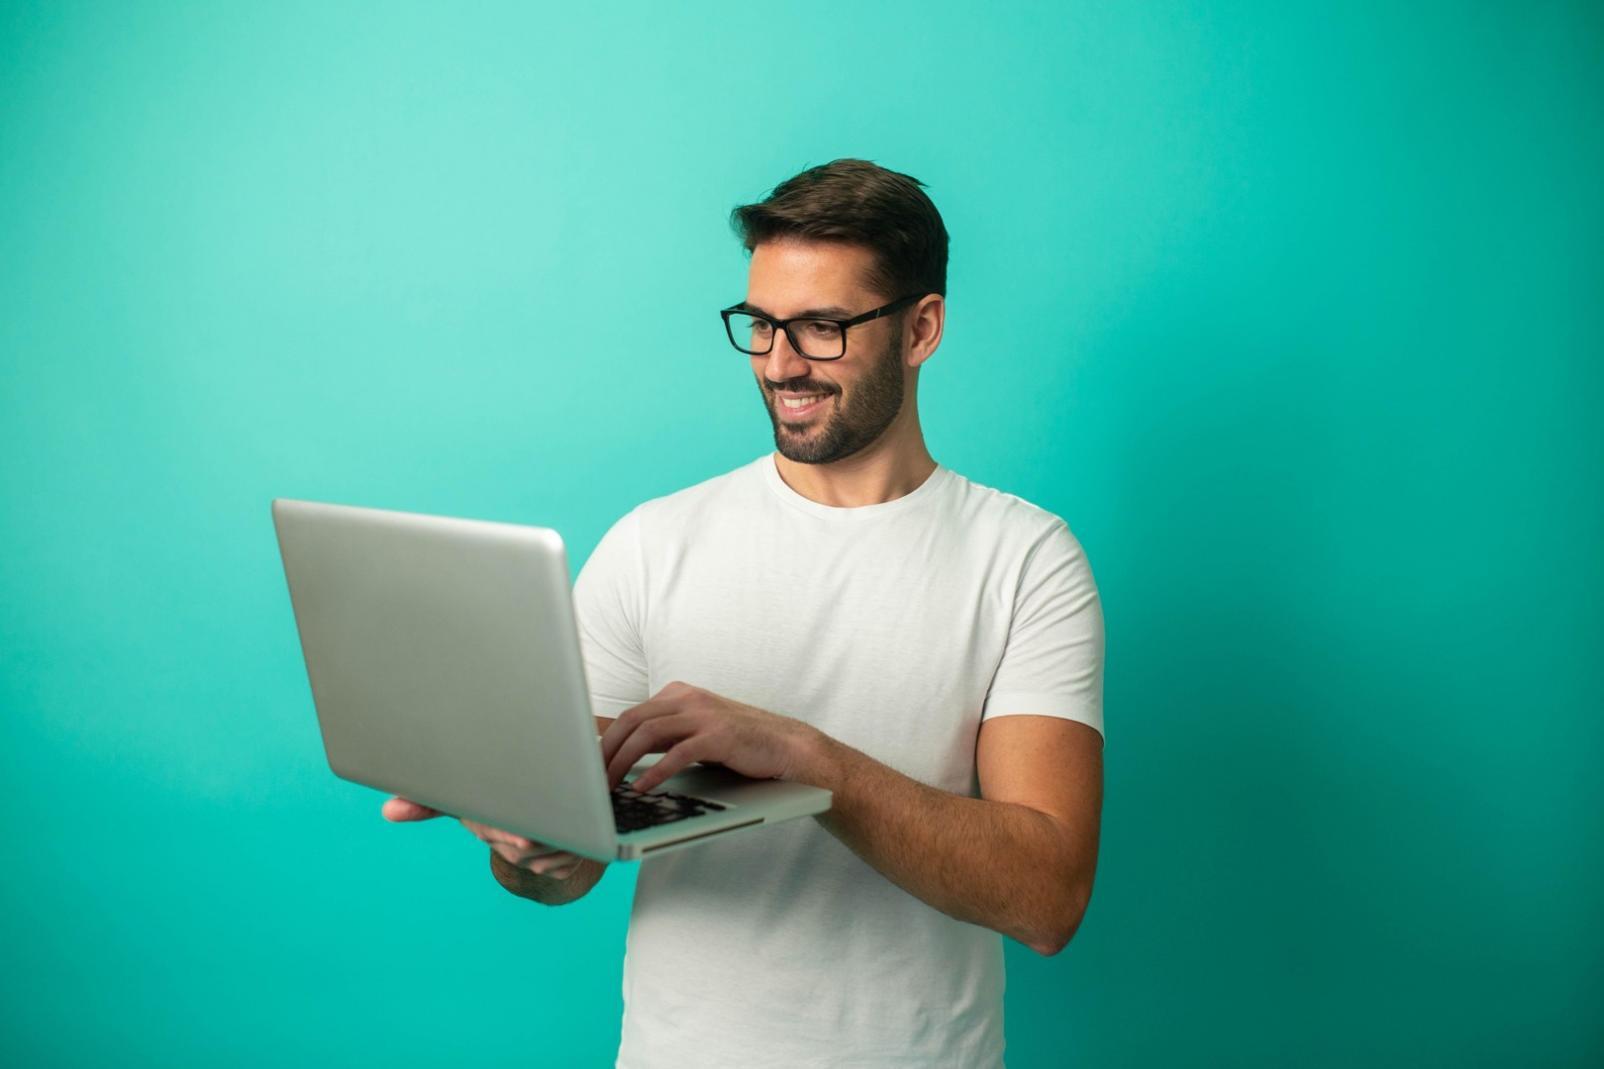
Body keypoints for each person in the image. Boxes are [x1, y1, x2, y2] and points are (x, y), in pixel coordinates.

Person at [384, 158, 1105, 1068]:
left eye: (822, 327)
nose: (779, 363)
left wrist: (808, 761)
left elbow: (1046, 898)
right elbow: (563, 871)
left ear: (921, 328)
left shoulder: (1026, 559)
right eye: (761, 324)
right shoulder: (651, 545)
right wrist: (532, 849)